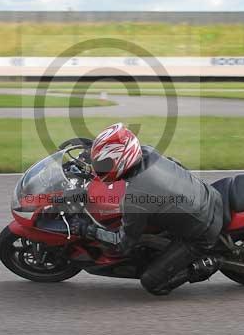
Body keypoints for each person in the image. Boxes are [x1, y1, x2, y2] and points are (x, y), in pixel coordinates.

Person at [71, 122, 225, 295]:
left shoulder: (136, 198)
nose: (98, 168)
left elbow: (123, 243)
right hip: (209, 195)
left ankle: (208, 263)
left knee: (151, 283)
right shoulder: (147, 152)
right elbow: (175, 163)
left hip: (203, 231)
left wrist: (89, 230)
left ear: (121, 162)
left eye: (103, 164)